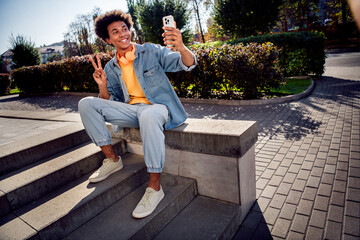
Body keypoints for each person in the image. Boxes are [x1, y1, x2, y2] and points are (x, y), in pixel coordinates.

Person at [78, 10, 196, 219]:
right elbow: (107, 104)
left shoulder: (150, 51)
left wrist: (181, 46)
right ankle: (112, 159)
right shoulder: (110, 67)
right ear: (108, 39)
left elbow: (186, 64)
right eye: (115, 32)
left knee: (149, 115)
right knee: (87, 104)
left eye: (124, 29)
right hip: (131, 111)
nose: (122, 34)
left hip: (157, 108)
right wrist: (103, 86)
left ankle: (154, 187)